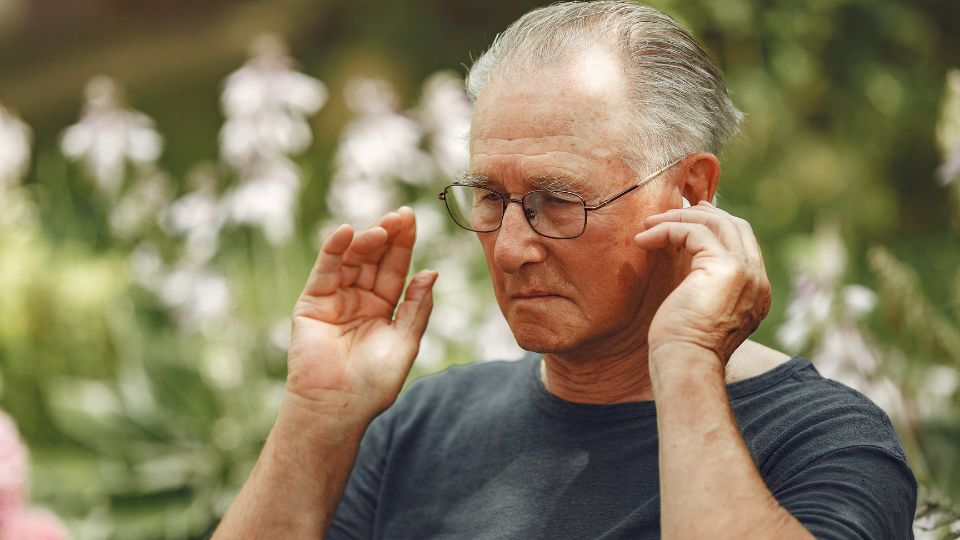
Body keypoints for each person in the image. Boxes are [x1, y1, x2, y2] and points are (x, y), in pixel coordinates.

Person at [213, 2, 917, 538]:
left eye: (558, 202)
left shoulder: (821, 440)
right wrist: (318, 420)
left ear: (691, 194)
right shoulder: (421, 429)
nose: (512, 248)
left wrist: (685, 363)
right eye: (490, 197)